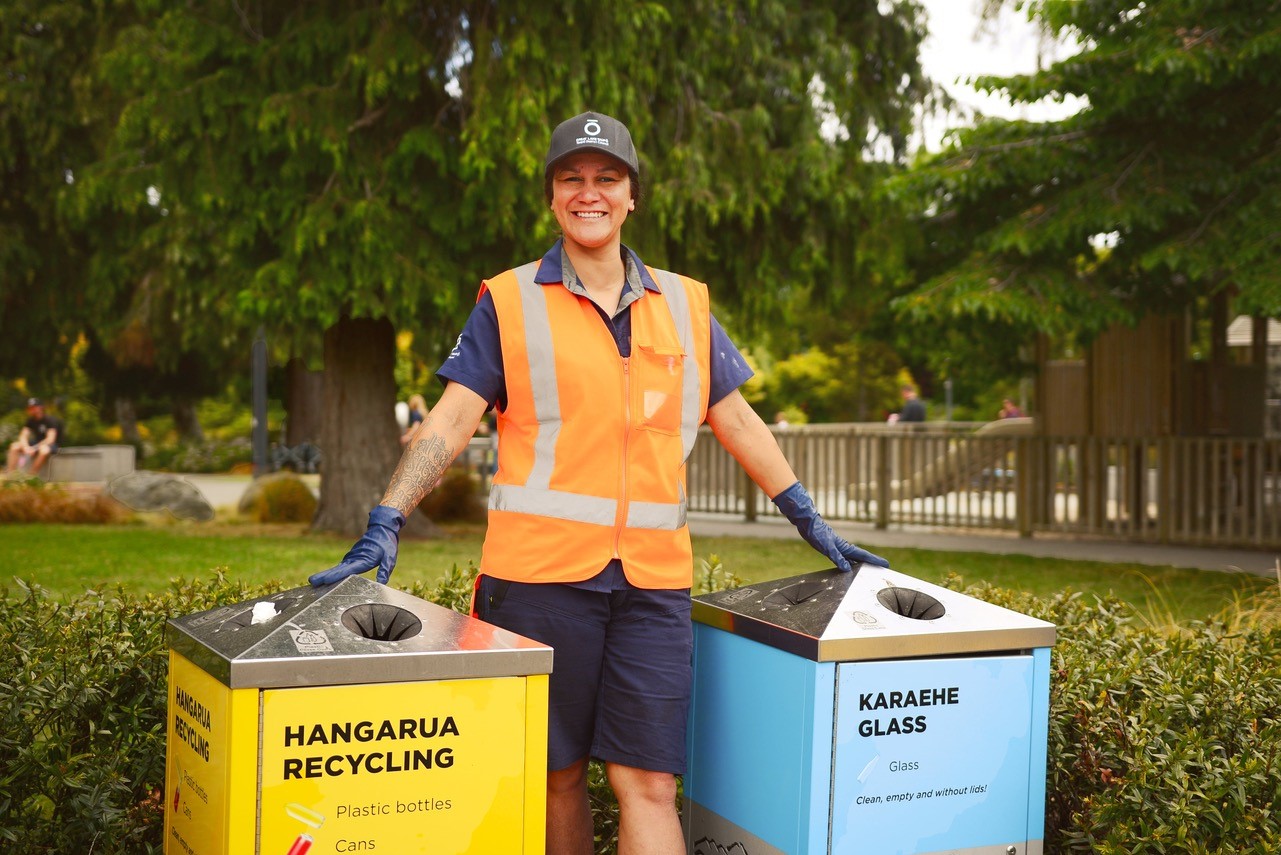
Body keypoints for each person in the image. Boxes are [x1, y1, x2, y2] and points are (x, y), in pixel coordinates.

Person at [308, 111, 888, 855]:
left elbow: (736, 419)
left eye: (605, 178)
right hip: (536, 579)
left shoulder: (685, 304)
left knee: (649, 782)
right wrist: (386, 517)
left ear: (631, 195)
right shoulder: (509, 301)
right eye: (571, 179)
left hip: (652, 587)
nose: (590, 193)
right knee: (557, 776)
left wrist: (809, 518)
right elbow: (452, 418)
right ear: (552, 197)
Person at [6, 398, 63, 477]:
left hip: (52, 444)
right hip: (37, 443)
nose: (31, 409)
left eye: (34, 407)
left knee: (44, 450)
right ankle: (11, 476)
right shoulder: (30, 420)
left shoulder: (50, 420)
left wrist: (34, 448)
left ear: (41, 407)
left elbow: (50, 439)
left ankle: (31, 476)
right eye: (30, 408)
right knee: (14, 446)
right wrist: (26, 447)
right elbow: (23, 436)